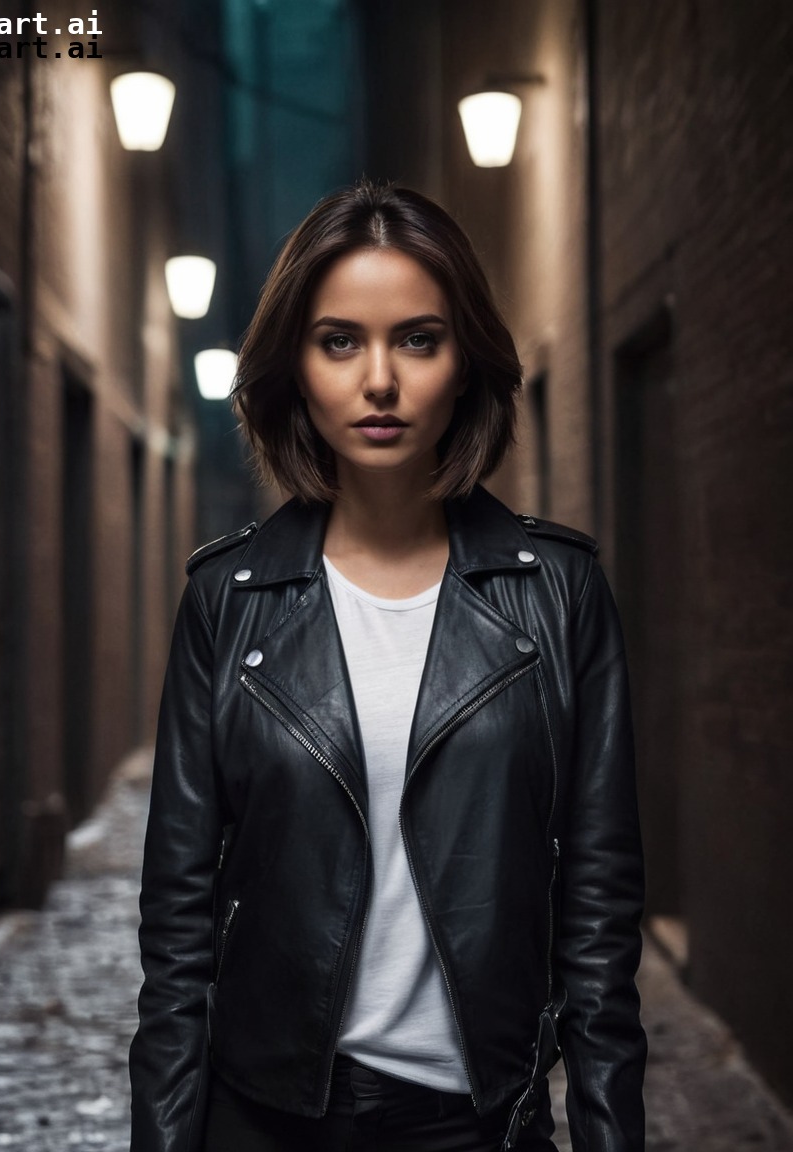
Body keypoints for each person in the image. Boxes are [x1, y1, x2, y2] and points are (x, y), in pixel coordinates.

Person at [129, 181, 646, 1152]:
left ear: (465, 365)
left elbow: (598, 910)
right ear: (294, 366)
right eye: (338, 341)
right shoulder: (228, 599)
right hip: (265, 1116)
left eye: (416, 338)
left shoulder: (558, 592)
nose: (378, 380)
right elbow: (178, 926)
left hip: (478, 1121)